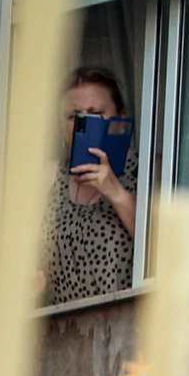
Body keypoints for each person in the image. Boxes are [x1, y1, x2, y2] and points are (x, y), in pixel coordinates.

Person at [44, 66, 138, 306]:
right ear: (59, 126)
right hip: (63, 332)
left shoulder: (147, 169)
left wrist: (116, 193)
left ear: (121, 119)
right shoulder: (48, 177)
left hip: (123, 329)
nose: (82, 123)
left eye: (95, 113)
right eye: (73, 116)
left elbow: (162, 252)